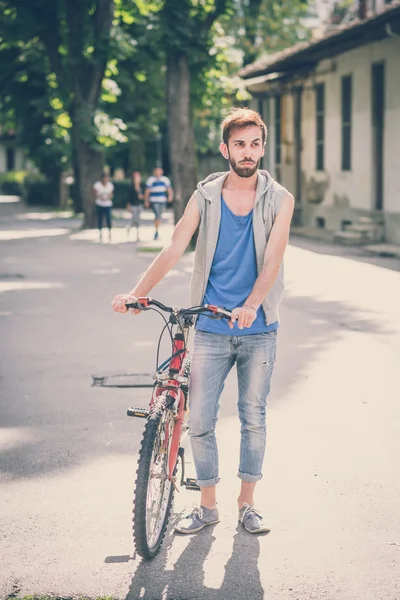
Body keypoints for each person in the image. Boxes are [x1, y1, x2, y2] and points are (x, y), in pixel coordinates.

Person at [111, 107, 294, 535]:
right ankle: (207, 506)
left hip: (258, 328)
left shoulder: (280, 200)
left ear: (263, 147)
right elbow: (175, 247)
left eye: (254, 144)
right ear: (224, 148)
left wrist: (251, 303)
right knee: (202, 421)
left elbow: (273, 259)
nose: (247, 153)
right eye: (239, 144)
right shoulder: (205, 197)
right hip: (210, 326)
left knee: (254, 417)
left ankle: (247, 504)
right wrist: (138, 293)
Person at [144, 166, 173, 240]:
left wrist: (170, 196)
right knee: (157, 215)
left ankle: (157, 230)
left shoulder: (165, 180)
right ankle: (156, 232)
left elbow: (169, 189)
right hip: (154, 200)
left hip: (162, 200)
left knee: (159, 216)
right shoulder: (151, 180)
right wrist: (146, 200)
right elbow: (147, 191)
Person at [93, 172, 114, 242]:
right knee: (100, 219)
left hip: (107, 204)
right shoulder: (97, 185)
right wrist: (100, 197)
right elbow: (95, 193)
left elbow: (111, 194)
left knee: (108, 219)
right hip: (100, 204)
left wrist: (107, 197)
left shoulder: (110, 185)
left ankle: (110, 233)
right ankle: (100, 233)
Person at [126, 170, 144, 242]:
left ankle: (137, 235)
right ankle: (129, 227)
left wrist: (142, 197)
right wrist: (128, 205)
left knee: (138, 220)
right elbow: (129, 197)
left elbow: (143, 195)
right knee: (135, 219)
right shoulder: (131, 187)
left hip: (139, 204)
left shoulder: (141, 186)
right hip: (133, 205)